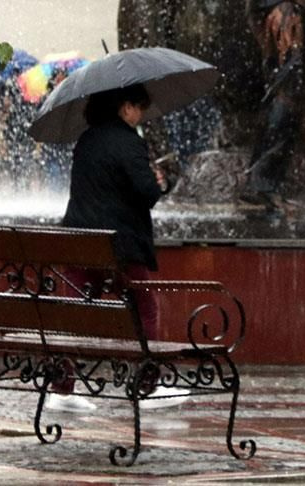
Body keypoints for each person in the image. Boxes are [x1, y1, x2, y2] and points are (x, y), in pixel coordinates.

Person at [48, 84, 187, 412]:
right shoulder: (129, 142)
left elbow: (100, 187)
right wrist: (159, 180)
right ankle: (147, 385)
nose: (140, 114)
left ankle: (61, 387)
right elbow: (147, 193)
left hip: (81, 243)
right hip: (119, 247)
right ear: (125, 107)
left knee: (77, 311)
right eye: (139, 107)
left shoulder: (87, 140)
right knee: (144, 310)